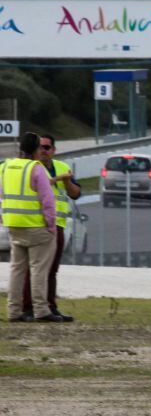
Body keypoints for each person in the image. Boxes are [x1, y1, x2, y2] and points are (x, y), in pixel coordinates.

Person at [1, 131, 60, 322]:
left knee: (17, 269)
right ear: (35, 149)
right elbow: (48, 200)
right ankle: (41, 310)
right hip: (36, 227)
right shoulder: (36, 168)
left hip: (14, 225)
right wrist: (51, 226)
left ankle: (13, 311)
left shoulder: (5, 167)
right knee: (38, 270)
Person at [20, 133, 80, 322]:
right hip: (36, 223)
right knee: (34, 269)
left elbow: (76, 193)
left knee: (52, 269)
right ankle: (29, 307)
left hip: (57, 224)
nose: (43, 151)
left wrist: (66, 180)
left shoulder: (62, 167)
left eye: (47, 147)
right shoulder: (32, 168)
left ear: (53, 150)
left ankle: (50, 306)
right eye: (41, 147)